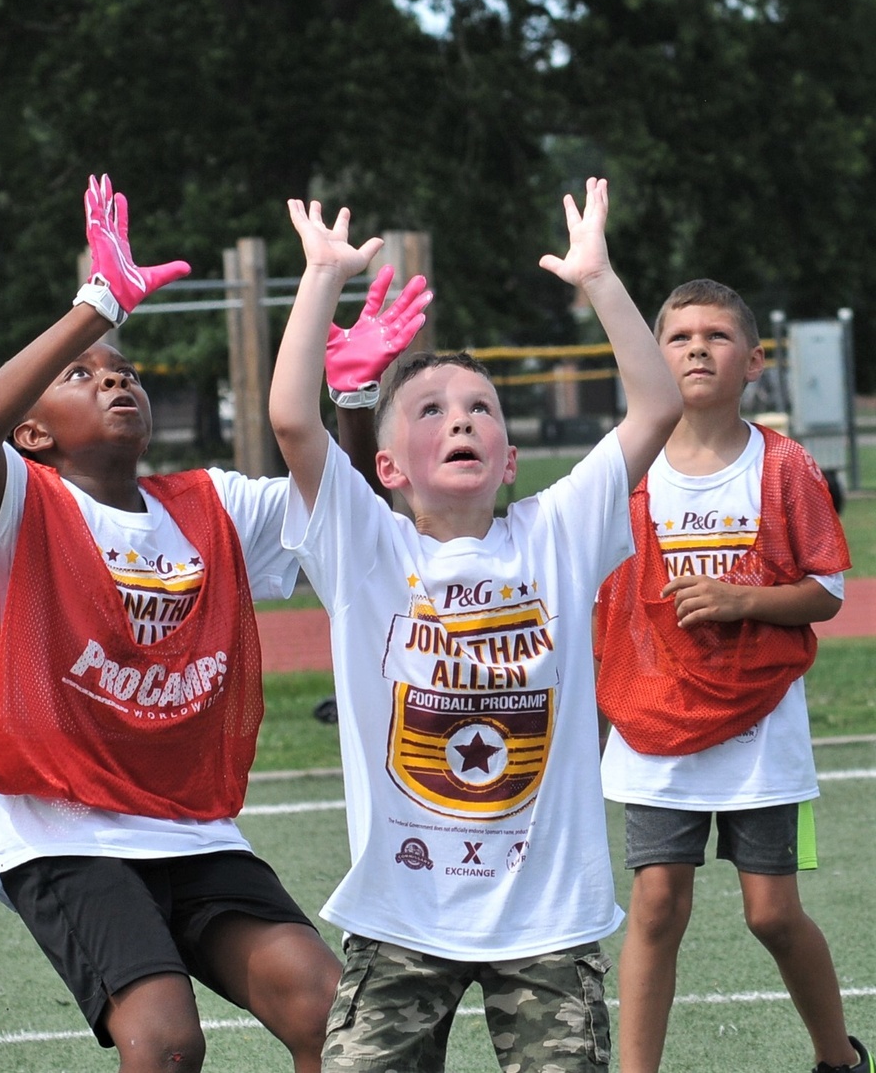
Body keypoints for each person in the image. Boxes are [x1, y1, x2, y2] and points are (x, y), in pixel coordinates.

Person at [0, 174, 426, 1073]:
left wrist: (352, 403)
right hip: (65, 828)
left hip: (190, 825)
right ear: (34, 433)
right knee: (165, 1042)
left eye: (122, 370)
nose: (113, 378)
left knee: (333, 1014)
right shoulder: (19, 506)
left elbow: (347, 517)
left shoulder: (214, 505)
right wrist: (97, 307)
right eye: (81, 377)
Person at [268, 178, 682, 1072]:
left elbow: (656, 407)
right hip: (402, 914)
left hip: (546, 921)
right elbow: (293, 418)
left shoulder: (560, 534)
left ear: (509, 461)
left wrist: (601, 280)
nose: (460, 418)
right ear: (386, 467)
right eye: (432, 411)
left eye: (481, 410)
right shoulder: (365, 546)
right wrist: (321, 278)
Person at [594, 278, 871, 1073]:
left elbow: (825, 593)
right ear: (652, 357)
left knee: (773, 914)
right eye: (678, 338)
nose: (696, 350)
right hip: (656, 726)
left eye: (716, 337)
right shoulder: (624, 469)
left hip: (760, 726)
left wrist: (741, 598)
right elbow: (593, 598)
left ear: (753, 361)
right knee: (654, 906)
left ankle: (837, 1060)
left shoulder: (784, 467)